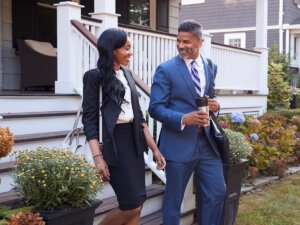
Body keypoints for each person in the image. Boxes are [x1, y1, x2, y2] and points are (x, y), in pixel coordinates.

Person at [82, 28, 166, 225]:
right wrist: (97, 158)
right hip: (115, 143)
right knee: (130, 205)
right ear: (112, 50)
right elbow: (90, 120)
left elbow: (138, 117)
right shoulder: (94, 77)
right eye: (126, 48)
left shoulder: (127, 74)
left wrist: (154, 149)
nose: (131, 52)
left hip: (134, 142)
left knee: (138, 202)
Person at [149, 20, 226, 225]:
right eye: (178, 41)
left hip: (207, 143)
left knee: (217, 192)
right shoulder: (165, 70)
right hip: (178, 143)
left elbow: (211, 96)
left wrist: (216, 106)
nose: (181, 46)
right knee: (174, 201)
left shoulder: (210, 66)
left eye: (187, 42)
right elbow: (155, 108)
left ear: (199, 42)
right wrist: (184, 118)